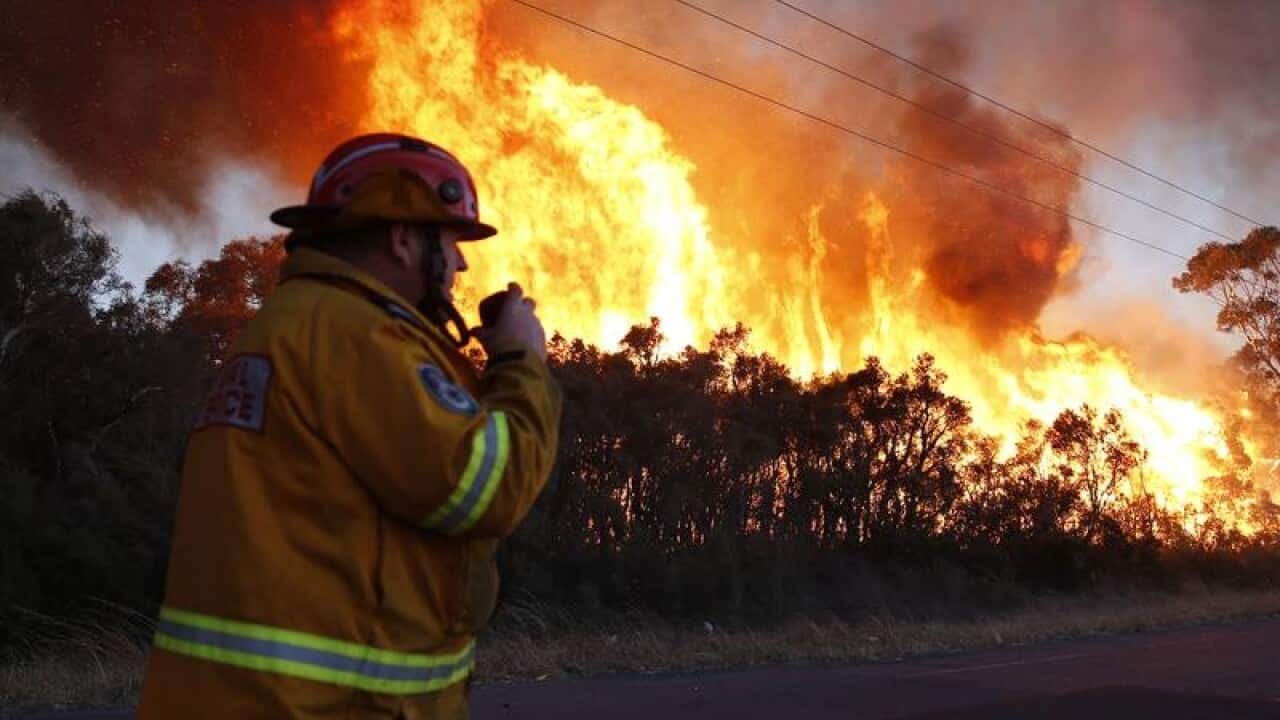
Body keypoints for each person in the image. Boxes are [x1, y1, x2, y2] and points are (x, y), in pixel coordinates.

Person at [137, 133, 562, 719]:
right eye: (451, 240)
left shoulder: (294, 323)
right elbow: (482, 489)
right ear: (404, 239)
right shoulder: (358, 336)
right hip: (324, 707)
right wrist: (521, 364)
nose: (461, 262)